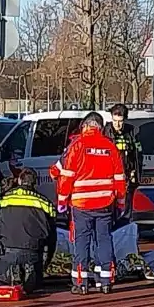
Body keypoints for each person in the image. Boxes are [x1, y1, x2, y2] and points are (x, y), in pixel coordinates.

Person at [56, 112, 126, 293]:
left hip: (81, 204)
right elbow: (119, 178)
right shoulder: (110, 147)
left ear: (85, 127)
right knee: (104, 240)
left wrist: (62, 200)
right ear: (100, 128)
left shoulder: (77, 146)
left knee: (82, 242)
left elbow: (66, 176)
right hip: (105, 203)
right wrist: (120, 202)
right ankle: (106, 281)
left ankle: (81, 283)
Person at [0, 169, 57, 294]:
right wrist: (45, 262)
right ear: (35, 183)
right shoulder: (45, 203)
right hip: (33, 253)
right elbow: (52, 237)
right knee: (34, 285)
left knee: (1, 282)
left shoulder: (3, 200)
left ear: (19, 180)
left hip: (7, 253)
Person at [102, 104, 142, 218]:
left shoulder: (131, 133)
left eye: (120, 121)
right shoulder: (105, 133)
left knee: (127, 208)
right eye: (115, 121)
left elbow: (137, 153)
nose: (117, 125)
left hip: (127, 177)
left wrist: (136, 171)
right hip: (110, 178)